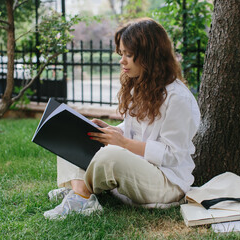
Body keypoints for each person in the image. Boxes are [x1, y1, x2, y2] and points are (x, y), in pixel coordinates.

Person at [43, 17, 201, 219]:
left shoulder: (178, 98)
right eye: (121, 53)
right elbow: (133, 130)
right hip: (136, 166)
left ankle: (80, 193)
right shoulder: (140, 86)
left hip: (166, 182)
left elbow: (172, 154)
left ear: (149, 56)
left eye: (129, 55)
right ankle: (79, 190)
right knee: (73, 133)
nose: (122, 60)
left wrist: (123, 143)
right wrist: (111, 131)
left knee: (111, 156)